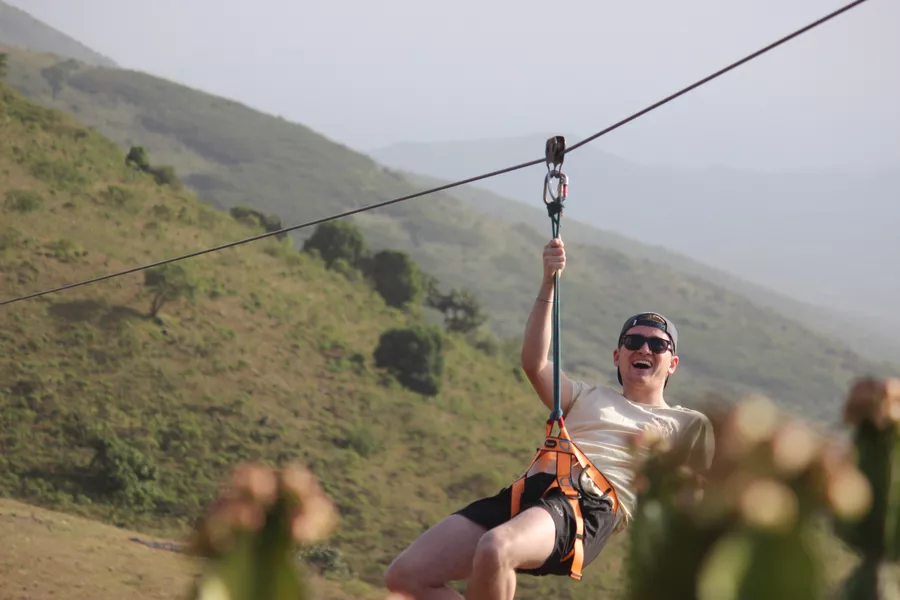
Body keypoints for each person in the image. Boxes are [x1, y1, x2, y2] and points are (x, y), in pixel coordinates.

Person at [384, 236, 715, 600]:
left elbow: (704, 500)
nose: (644, 349)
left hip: (588, 505)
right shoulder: (586, 395)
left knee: (497, 549)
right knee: (406, 577)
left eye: (658, 345)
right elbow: (535, 363)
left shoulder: (688, 424)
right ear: (617, 355)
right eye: (634, 341)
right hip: (530, 492)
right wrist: (549, 281)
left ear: (673, 364)